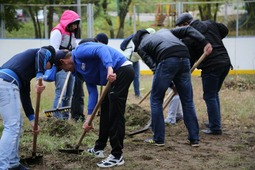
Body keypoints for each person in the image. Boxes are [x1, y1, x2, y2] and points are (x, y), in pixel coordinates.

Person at [54, 42, 134, 168]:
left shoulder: (79, 52)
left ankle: (117, 155)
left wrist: (109, 67)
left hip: (122, 70)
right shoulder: (78, 72)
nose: (64, 71)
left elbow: (101, 49)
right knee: (105, 112)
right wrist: (89, 118)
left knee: (115, 114)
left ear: (63, 62)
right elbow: (92, 92)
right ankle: (99, 148)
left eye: (61, 68)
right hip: (112, 78)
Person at [132, 27, 212, 147]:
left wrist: (170, 84)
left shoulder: (141, 46)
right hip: (184, 56)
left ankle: (158, 138)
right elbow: (188, 29)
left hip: (167, 59)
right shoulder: (165, 31)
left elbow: (154, 67)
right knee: (187, 100)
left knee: (156, 100)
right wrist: (205, 42)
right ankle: (194, 138)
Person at [175, 13, 232, 135]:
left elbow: (189, 59)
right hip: (225, 62)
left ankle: (215, 128)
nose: (180, 30)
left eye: (180, 27)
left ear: (186, 24)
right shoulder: (210, 23)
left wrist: (184, 73)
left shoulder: (189, 37)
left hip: (211, 66)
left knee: (209, 95)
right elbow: (224, 30)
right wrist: (215, 39)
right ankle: (214, 122)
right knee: (213, 93)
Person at [0, 46, 56, 170]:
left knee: (17, 125)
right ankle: (2, 166)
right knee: (12, 126)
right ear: (49, 60)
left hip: (5, 83)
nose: (49, 69)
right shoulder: (42, 52)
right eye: (50, 66)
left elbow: (25, 96)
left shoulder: (23, 71)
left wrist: (33, 121)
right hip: (6, 83)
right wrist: (40, 77)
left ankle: (13, 163)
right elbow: (43, 52)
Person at [70, 33, 109, 122]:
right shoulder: (90, 43)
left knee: (79, 92)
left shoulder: (92, 42)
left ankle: (79, 115)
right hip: (82, 70)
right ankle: (76, 115)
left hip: (86, 70)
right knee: (78, 92)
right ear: (99, 41)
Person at [50, 10, 80, 120]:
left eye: (77, 24)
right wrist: (66, 53)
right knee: (61, 93)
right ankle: (56, 119)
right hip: (62, 65)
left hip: (71, 65)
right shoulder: (57, 31)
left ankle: (65, 118)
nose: (76, 27)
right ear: (68, 22)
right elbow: (54, 50)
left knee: (69, 94)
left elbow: (75, 46)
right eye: (74, 24)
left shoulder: (72, 33)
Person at [120, 28, 156, 98]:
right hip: (127, 58)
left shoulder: (143, 40)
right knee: (127, 77)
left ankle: (137, 94)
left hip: (135, 60)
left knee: (136, 77)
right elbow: (141, 53)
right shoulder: (137, 39)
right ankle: (123, 93)